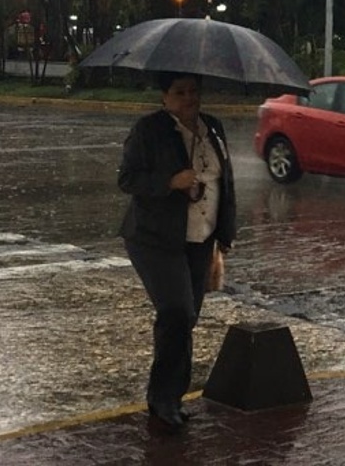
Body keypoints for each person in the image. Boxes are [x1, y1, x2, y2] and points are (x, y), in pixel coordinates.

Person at [117, 71, 236, 431]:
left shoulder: (212, 127)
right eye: (179, 92)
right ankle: (163, 398)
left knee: (186, 318)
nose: (189, 98)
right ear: (164, 97)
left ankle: (171, 393)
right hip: (155, 239)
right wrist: (170, 182)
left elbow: (225, 183)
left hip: (200, 237)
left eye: (194, 91)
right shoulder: (149, 130)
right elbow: (127, 179)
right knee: (177, 311)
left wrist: (225, 235)